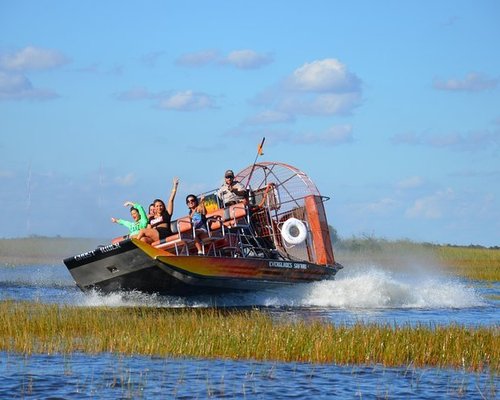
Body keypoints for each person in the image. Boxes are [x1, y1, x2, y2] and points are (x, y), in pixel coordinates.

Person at [136, 177, 179, 244]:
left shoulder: (166, 214)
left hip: (163, 233)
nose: (159, 207)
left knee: (142, 231)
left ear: (163, 206)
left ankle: (134, 246)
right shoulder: (151, 218)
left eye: (161, 206)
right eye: (157, 206)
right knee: (143, 240)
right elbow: (148, 228)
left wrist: (175, 186)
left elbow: (171, 200)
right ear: (155, 208)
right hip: (154, 235)